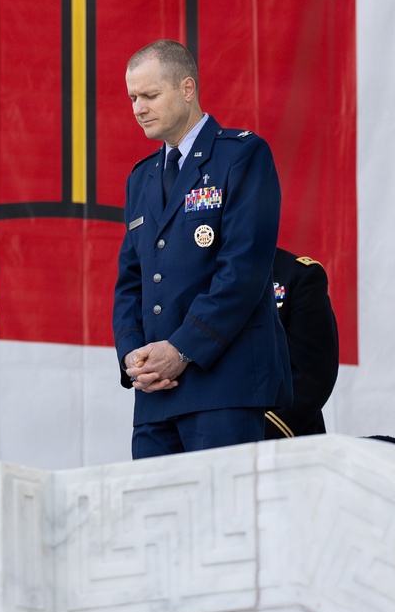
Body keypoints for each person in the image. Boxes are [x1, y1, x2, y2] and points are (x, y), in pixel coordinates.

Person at [113, 38, 291, 456]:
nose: (138, 108)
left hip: (223, 385)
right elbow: (130, 281)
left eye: (150, 95)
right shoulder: (141, 177)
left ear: (187, 89)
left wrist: (182, 349)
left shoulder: (241, 155)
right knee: (154, 518)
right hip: (156, 394)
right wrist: (134, 358)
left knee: (222, 519)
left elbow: (242, 270)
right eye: (133, 97)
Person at [264, 247, 340, 439]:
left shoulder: (298, 275)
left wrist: (257, 433)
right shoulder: (195, 275)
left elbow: (312, 376)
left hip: (279, 443)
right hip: (197, 438)